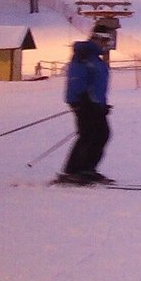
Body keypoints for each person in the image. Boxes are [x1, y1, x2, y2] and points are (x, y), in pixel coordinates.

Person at [56, 28, 114, 185]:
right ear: (97, 38)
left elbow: (96, 84)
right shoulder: (84, 55)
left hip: (94, 104)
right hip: (84, 103)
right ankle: (74, 171)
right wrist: (81, 100)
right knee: (89, 134)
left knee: (101, 134)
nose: (106, 44)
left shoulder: (94, 58)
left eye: (107, 41)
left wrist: (101, 104)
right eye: (104, 41)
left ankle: (87, 169)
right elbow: (76, 77)